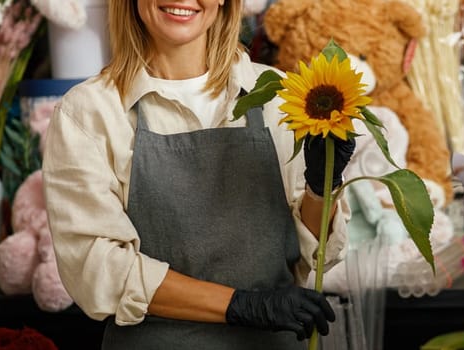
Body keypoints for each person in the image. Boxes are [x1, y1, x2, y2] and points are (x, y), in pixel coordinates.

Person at [41, 0, 354, 348]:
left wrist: (321, 186)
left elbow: (318, 252)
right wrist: (242, 305)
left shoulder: (281, 97)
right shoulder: (88, 114)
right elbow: (98, 268)